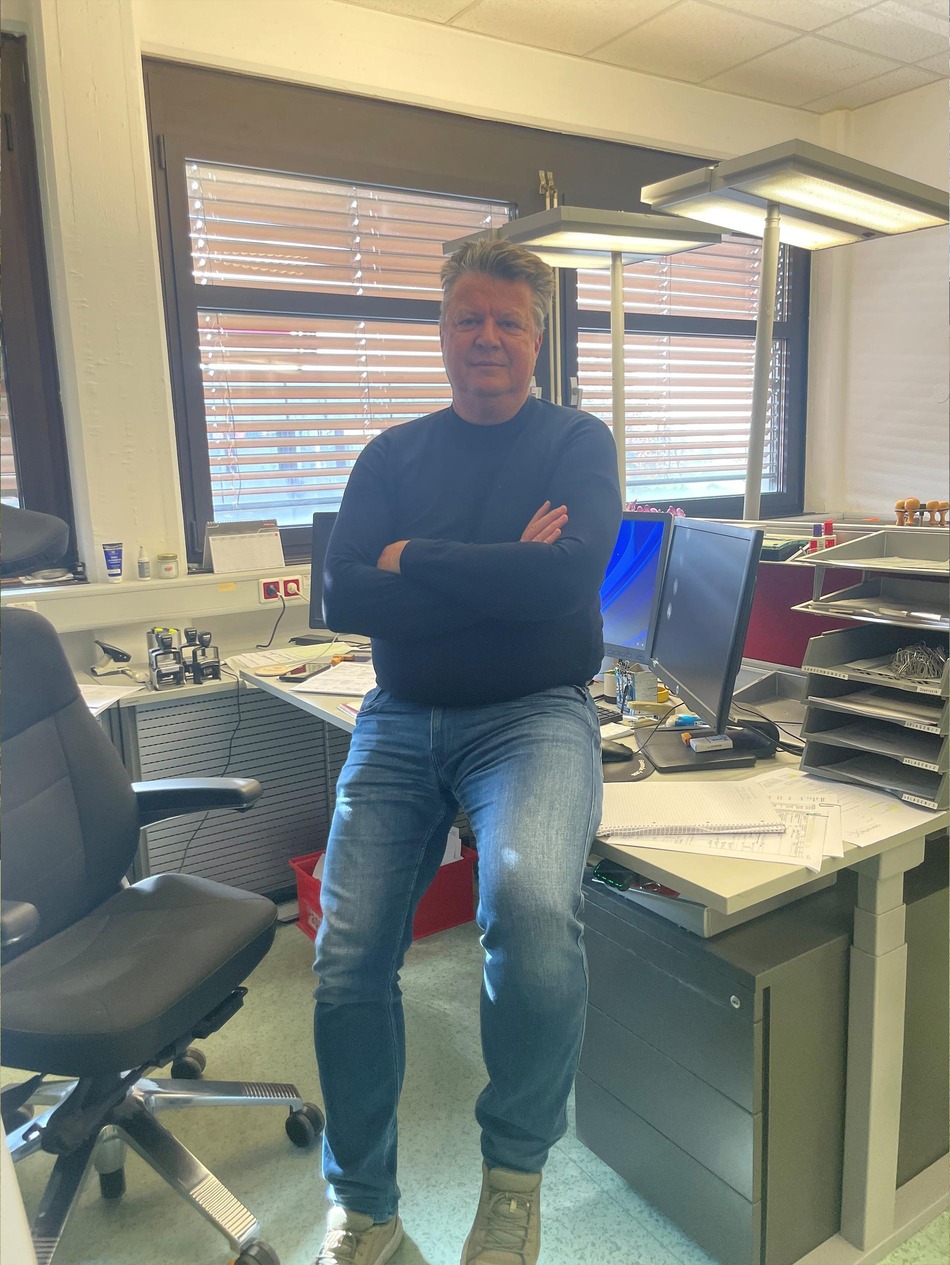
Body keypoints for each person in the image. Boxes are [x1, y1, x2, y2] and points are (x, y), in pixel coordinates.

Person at [312, 237, 622, 1265]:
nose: (486, 337)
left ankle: (512, 1182)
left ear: (537, 336)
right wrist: (500, 570)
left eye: (507, 320)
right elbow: (344, 593)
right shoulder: (391, 454)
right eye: (466, 318)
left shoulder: (576, 442)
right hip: (401, 718)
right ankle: (364, 1208)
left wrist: (415, 559)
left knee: (527, 912)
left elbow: (565, 582)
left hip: (533, 715)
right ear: (441, 331)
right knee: (347, 955)